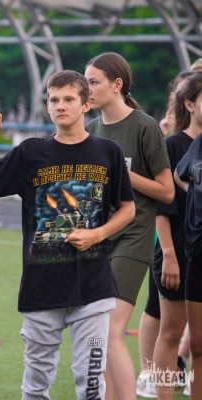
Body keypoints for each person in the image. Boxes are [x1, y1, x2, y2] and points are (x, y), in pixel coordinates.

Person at [0, 70, 135, 399]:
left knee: (91, 384)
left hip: (94, 287)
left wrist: (96, 234)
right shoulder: (30, 152)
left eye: (68, 99)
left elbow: (128, 208)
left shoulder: (108, 151)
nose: (60, 105)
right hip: (42, 286)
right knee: (36, 385)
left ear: (86, 104)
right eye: (53, 100)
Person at [84, 52, 174, 400]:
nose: (87, 89)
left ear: (116, 84)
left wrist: (123, 174)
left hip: (134, 238)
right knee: (97, 332)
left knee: (109, 331)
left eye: (94, 82)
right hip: (99, 238)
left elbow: (166, 191)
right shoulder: (91, 129)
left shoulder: (143, 126)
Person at [135, 69, 194, 398]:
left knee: (197, 338)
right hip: (176, 251)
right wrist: (169, 255)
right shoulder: (172, 143)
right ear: (189, 104)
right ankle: (157, 385)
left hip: (197, 254)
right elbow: (163, 204)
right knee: (168, 330)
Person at [175, 101, 202, 400]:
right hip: (197, 254)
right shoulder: (199, 143)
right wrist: (194, 194)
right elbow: (179, 174)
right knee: (197, 345)